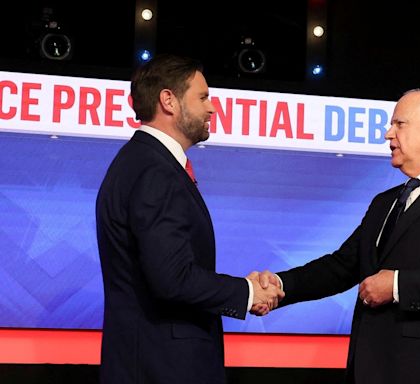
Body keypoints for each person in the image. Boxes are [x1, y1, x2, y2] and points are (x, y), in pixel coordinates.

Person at [253, 89, 420, 384]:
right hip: (370, 370)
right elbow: (342, 265)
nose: (388, 134)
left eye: (399, 124)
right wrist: (281, 285)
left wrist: (398, 285)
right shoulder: (385, 202)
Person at [95, 54, 284, 384]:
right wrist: (248, 293)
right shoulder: (155, 170)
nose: (211, 108)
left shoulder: (141, 162)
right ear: (168, 100)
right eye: (203, 97)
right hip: (162, 368)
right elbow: (171, 278)